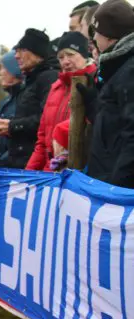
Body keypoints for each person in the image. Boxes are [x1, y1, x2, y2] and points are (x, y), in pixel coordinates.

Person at [26, 32, 96, 171]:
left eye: (70, 54)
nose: (65, 61)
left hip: (78, 172)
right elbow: (42, 141)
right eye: (61, 57)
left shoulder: (94, 83)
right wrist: (28, 174)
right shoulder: (55, 87)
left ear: (84, 55)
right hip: (50, 172)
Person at [83, 0, 134, 188]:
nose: (94, 38)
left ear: (109, 36)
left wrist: (116, 187)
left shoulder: (129, 70)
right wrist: (93, 104)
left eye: (96, 32)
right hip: (106, 177)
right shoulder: (117, 66)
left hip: (117, 189)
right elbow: (113, 123)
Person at [0, 29, 59, 168]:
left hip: (34, 162)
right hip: (22, 159)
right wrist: (8, 127)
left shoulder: (48, 77)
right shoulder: (31, 79)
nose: (17, 56)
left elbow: (46, 120)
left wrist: (13, 126)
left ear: (36, 53)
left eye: (22, 51)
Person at [0, 50, 24, 167]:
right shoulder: (5, 101)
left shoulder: (24, 101)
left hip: (11, 168)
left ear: (14, 71)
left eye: (3, 68)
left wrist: (3, 162)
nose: (0, 73)